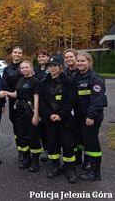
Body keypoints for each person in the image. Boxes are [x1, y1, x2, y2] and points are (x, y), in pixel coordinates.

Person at [39, 55, 77, 183]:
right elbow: (42, 102)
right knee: (52, 144)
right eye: (50, 66)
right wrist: (49, 114)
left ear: (60, 67)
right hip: (50, 119)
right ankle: (55, 166)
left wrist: (60, 114)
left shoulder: (69, 81)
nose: (52, 68)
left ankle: (69, 168)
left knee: (67, 144)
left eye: (55, 65)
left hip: (65, 119)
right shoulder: (44, 82)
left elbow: (71, 100)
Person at [74, 51, 108, 181]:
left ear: (89, 62)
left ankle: (95, 172)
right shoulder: (77, 76)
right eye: (78, 61)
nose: (80, 63)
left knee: (92, 143)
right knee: (85, 142)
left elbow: (98, 100)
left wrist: (91, 116)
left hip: (91, 117)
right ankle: (87, 165)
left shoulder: (95, 78)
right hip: (80, 116)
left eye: (83, 61)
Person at [7, 60, 41, 172]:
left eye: (26, 67)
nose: (24, 69)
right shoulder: (20, 80)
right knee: (21, 135)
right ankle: (26, 158)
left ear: (31, 68)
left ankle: (35, 161)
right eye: (22, 68)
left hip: (30, 110)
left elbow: (36, 98)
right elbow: (16, 94)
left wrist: (36, 115)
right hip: (19, 110)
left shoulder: (35, 81)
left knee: (33, 135)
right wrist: (6, 93)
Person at [63, 48, 90, 170]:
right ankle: (76, 159)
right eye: (66, 57)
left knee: (86, 138)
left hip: (83, 111)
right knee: (73, 137)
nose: (69, 59)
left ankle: (88, 161)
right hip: (70, 112)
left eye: (71, 57)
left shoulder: (83, 73)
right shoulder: (63, 73)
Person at [2, 47, 23, 160]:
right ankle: (20, 151)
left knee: (27, 126)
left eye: (19, 53)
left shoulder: (25, 67)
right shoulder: (7, 69)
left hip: (26, 100)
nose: (17, 54)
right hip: (13, 101)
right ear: (11, 54)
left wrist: (19, 92)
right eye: (15, 52)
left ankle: (29, 151)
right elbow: (4, 84)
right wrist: (12, 93)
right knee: (16, 125)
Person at [34, 49, 50, 162]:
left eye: (43, 56)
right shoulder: (35, 71)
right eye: (39, 57)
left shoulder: (53, 69)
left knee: (50, 128)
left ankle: (53, 149)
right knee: (41, 129)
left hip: (50, 103)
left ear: (48, 57)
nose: (41, 58)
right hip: (38, 103)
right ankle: (46, 149)